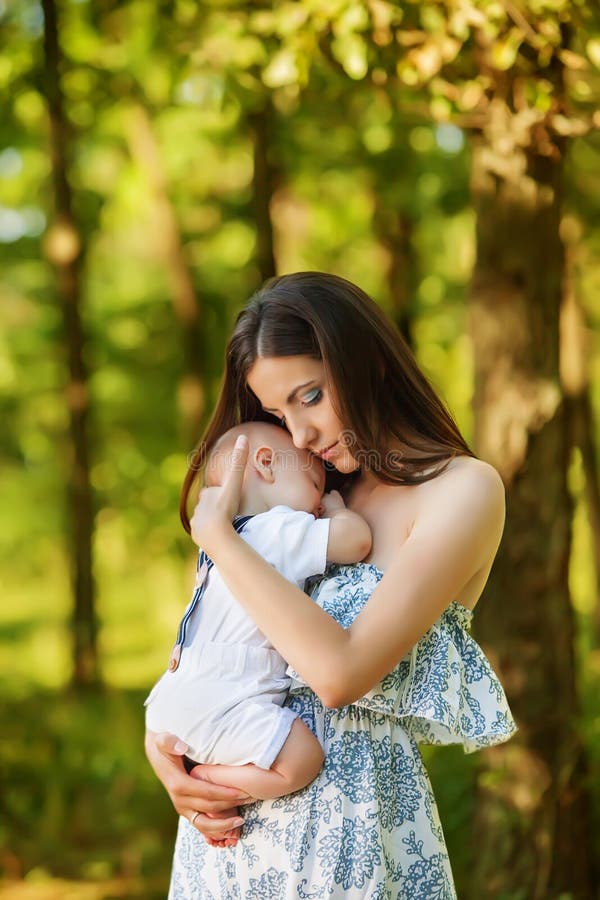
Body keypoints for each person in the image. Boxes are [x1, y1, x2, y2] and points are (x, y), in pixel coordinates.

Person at [145, 272, 517, 899]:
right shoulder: (296, 499)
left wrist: (224, 540)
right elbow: (205, 649)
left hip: (356, 834)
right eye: (276, 414)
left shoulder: (461, 491)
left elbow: (342, 674)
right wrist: (168, 757)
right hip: (234, 834)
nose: (299, 435)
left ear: (363, 360)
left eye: (310, 396)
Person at [144, 420, 371, 846]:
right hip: (226, 696)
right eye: (314, 481)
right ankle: (212, 780)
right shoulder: (276, 529)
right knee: (302, 760)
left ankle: (196, 771)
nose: (319, 501)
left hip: (176, 698)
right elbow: (356, 541)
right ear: (265, 464)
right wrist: (340, 511)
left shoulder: (217, 549)